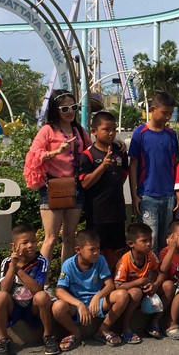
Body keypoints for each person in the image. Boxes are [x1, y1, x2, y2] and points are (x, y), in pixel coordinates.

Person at [23, 89, 91, 266]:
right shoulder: (47, 130)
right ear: (55, 109)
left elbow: (90, 149)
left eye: (73, 107)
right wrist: (55, 152)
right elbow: (33, 155)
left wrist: (114, 143)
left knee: (69, 237)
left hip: (75, 187)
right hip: (52, 187)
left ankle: (64, 279)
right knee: (51, 238)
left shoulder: (79, 130)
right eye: (64, 108)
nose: (70, 112)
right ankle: (41, 282)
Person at [52, 230, 129, 351]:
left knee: (122, 295)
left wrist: (97, 296)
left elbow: (110, 285)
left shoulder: (100, 260)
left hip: (96, 302)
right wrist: (79, 304)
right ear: (78, 250)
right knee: (57, 307)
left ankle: (103, 329)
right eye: (92, 249)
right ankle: (75, 333)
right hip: (76, 305)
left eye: (98, 249)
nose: (96, 253)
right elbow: (59, 291)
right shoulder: (68, 264)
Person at [0, 225, 58, 355]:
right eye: (25, 243)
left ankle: (48, 336)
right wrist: (12, 267)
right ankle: (2, 339)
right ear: (13, 246)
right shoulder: (6, 262)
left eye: (33, 241)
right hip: (14, 306)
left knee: (42, 296)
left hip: (32, 306)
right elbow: (4, 289)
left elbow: (37, 288)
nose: (30, 245)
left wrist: (18, 270)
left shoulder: (41, 261)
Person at [129, 91, 179, 253]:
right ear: (152, 109)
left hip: (169, 195)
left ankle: (162, 276)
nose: (167, 117)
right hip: (147, 195)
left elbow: (176, 164)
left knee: (166, 240)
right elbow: (133, 165)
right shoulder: (140, 133)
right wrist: (134, 195)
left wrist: (178, 192)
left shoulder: (171, 135)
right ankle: (149, 275)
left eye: (170, 114)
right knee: (149, 241)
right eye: (164, 113)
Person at [78, 111, 128, 273]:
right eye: (106, 129)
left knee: (113, 250)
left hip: (116, 211)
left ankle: (109, 280)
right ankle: (94, 281)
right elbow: (85, 183)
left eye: (114, 129)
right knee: (95, 250)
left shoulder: (119, 151)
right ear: (94, 131)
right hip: (97, 213)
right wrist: (103, 166)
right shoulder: (88, 155)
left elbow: (123, 175)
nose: (111, 133)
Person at [114, 223, 167, 343]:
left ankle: (154, 323)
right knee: (136, 292)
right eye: (144, 241)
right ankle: (125, 327)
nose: (149, 243)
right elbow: (118, 286)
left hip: (148, 290)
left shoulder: (150, 255)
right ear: (131, 244)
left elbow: (161, 272)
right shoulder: (125, 261)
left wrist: (155, 285)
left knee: (168, 286)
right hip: (132, 295)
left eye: (150, 239)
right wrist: (140, 281)